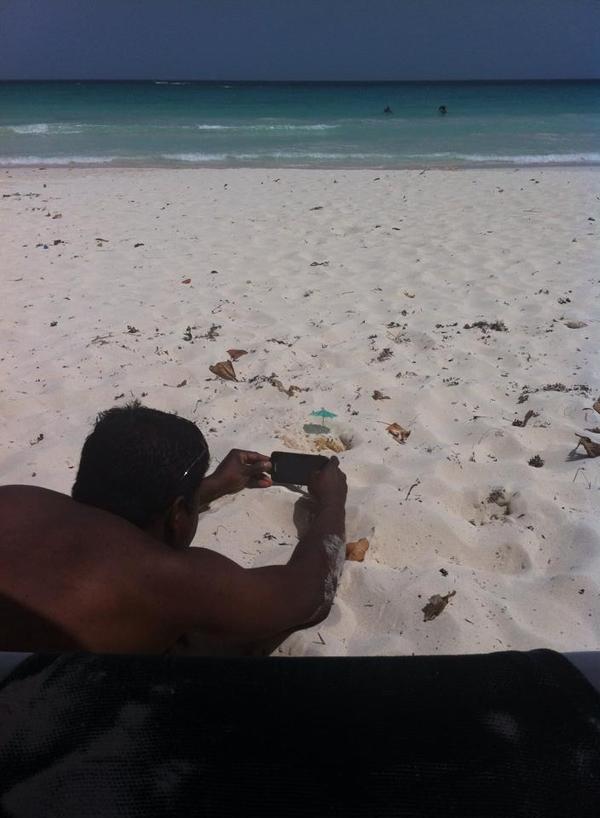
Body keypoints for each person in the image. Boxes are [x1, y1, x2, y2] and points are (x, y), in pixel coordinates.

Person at [0, 402, 347, 655]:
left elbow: (123, 509)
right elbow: (307, 594)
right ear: (178, 515)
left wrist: (209, 487)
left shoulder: (17, 498)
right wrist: (332, 503)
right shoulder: (164, 577)